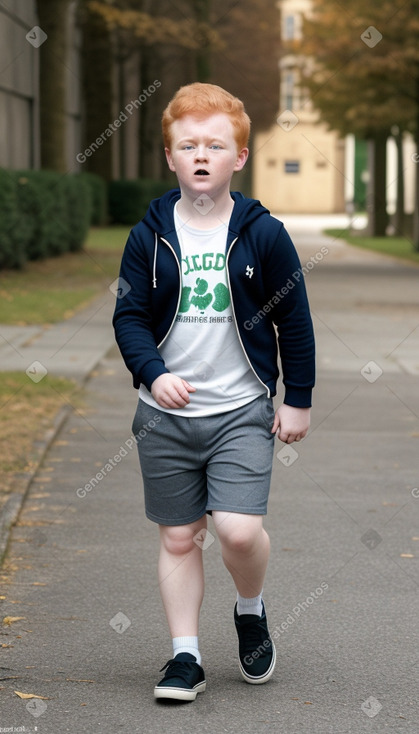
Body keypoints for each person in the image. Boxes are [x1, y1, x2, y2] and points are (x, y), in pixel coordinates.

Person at [113, 82, 315, 702]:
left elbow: (295, 319)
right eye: (188, 145)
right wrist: (154, 373)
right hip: (165, 416)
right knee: (178, 536)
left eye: (216, 145)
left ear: (240, 158)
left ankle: (249, 608)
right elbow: (129, 318)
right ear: (170, 157)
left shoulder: (264, 234)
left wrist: (298, 397)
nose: (202, 155)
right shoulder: (149, 236)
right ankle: (185, 657)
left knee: (235, 531)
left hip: (240, 412)